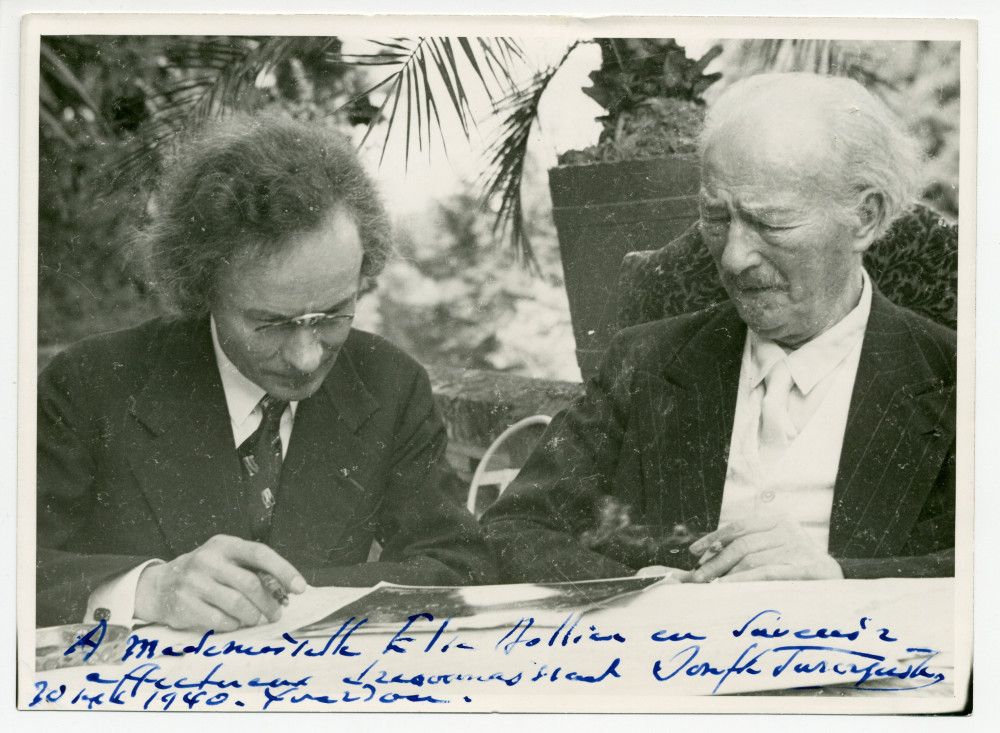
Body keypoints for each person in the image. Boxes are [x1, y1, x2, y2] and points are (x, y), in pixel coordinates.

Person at [481, 73, 956, 584]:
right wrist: (640, 592)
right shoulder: (644, 363)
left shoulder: (961, 383)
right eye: (716, 217)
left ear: (865, 217)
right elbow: (512, 530)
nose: (733, 257)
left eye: (770, 224)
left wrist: (839, 576)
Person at [37, 114, 495, 630]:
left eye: (332, 314)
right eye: (270, 323)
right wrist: (146, 588)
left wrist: (288, 599)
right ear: (202, 289)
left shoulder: (392, 384)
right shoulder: (90, 384)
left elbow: (459, 566)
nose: (305, 357)